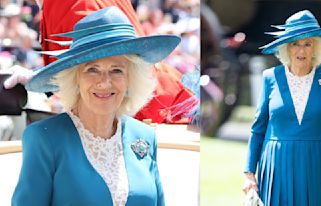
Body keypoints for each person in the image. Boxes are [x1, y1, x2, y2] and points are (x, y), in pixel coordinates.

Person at [11, 7, 180, 206]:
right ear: (75, 78)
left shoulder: (145, 136)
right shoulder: (44, 138)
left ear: (131, 78)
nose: (104, 82)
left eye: (117, 70)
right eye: (92, 69)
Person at [3, 0, 197, 124]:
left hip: (153, 112)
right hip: (144, 107)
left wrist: (39, 77)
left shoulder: (73, 4)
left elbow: (101, 70)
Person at [242, 10, 321, 206]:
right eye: (295, 44)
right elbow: (257, 128)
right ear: (286, 48)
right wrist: (249, 174)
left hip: (314, 164)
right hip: (276, 164)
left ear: (316, 47)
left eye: (307, 44)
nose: (301, 50)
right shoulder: (270, 77)